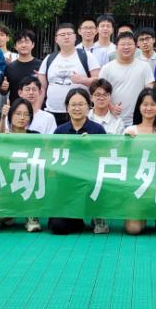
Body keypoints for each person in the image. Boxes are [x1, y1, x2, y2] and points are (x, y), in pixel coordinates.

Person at [50, 88, 107, 235]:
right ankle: (77, 220)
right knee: (57, 226)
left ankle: (98, 216)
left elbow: (105, 158)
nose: (77, 108)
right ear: (67, 107)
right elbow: (53, 159)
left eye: (81, 104)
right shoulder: (60, 131)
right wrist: (64, 146)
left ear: (89, 106)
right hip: (66, 186)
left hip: (90, 183)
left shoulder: (97, 130)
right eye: (73, 104)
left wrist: (91, 146)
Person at [123, 88, 156, 235]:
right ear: (139, 107)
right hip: (136, 184)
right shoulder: (130, 130)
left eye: (153, 104)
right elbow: (120, 157)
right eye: (145, 104)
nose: (149, 108)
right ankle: (143, 214)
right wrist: (125, 142)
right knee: (133, 229)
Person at [0, 98, 43, 232]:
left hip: (29, 181)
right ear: (10, 115)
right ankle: (10, 214)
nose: (22, 118)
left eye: (26, 114)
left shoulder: (36, 136)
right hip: (7, 181)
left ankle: (31, 216)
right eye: (18, 113)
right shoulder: (6, 136)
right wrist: (2, 117)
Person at [39, 23, 98, 124]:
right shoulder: (49, 59)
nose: (66, 37)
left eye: (69, 34)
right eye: (62, 35)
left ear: (75, 37)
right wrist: (38, 110)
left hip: (80, 112)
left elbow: (98, 81)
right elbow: (41, 88)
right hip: (52, 112)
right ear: (56, 39)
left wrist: (83, 80)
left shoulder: (87, 56)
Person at [99, 32, 153, 128]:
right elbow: (100, 93)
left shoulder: (145, 67)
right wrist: (111, 107)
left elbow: (149, 91)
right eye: (123, 44)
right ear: (116, 47)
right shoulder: (107, 68)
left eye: (129, 44)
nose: (126, 47)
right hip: (113, 119)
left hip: (139, 119)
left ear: (136, 47)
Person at [5, 29, 43, 103]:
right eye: (20, 42)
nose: (23, 45)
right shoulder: (10, 67)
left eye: (27, 42)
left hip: (36, 107)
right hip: (16, 107)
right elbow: (4, 91)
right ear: (15, 46)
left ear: (33, 45)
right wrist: (3, 88)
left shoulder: (41, 65)